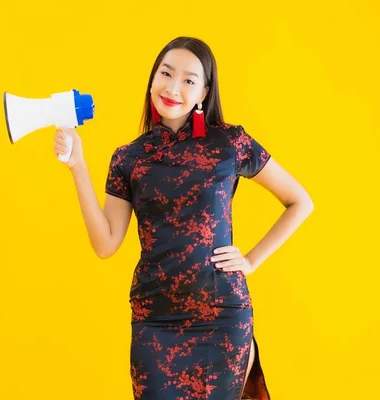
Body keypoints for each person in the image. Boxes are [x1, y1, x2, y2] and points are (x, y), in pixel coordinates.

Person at [53, 36, 313, 400]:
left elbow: (299, 201)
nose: (173, 88)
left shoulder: (230, 143)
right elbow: (106, 243)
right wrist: (77, 165)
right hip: (154, 319)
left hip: (221, 316)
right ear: (152, 78)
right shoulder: (129, 158)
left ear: (204, 92)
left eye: (189, 80)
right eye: (166, 73)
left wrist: (251, 260)